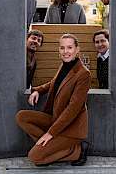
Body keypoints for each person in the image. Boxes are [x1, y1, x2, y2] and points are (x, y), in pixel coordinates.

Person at [16, 34, 91, 166]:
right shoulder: (64, 65)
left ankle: (77, 151)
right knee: (22, 117)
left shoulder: (83, 74)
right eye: (62, 48)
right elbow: (54, 83)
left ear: (77, 49)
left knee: (35, 158)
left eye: (69, 47)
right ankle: (51, 147)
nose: (65, 51)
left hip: (70, 128)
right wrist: (37, 90)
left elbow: (73, 109)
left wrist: (50, 133)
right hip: (56, 118)